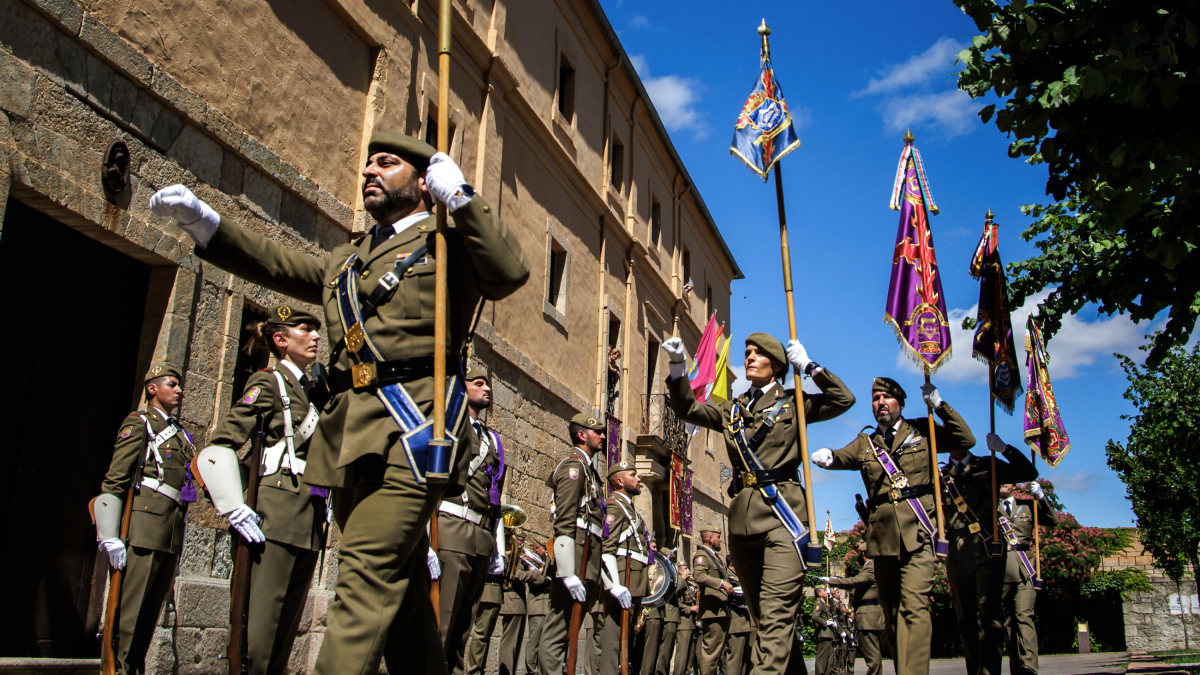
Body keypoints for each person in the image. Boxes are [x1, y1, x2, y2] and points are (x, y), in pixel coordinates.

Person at [151, 133, 529, 674]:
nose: (371, 170)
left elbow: (510, 273)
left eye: (388, 162)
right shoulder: (348, 259)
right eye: (369, 162)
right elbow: (279, 265)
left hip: (417, 432)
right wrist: (204, 222)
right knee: (400, 600)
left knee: (363, 574)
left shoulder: (449, 245)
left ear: (424, 182)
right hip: (352, 437)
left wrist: (463, 198)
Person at [663, 333, 854, 675]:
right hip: (742, 523)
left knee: (776, 615)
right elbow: (687, 408)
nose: (749, 357)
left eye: (758, 354)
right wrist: (678, 367)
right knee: (765, 620)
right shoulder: (731, 410)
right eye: (747, 352)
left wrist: (809, 367)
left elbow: (843, 399)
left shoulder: (795, 403)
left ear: (777, 365)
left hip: (785, 519)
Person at [195, 305, 328, 675]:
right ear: (280, 340)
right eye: (306, 329)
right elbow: (219, 447)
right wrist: (233, 505)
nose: (316, 336)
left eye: (316, 330)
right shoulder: (268, 384)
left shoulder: (312, 392)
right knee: (258, 640)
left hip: (309, 521)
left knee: (282, 642)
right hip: (274, 517)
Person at [811, 377, 976, 675]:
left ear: (900, 402)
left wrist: (939, 406)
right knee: (893, 613)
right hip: (883, 539)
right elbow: (845, 456)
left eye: (886, 397)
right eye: (875, 398)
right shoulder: (866, 441)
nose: (881, 403)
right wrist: (830, 457)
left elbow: (965, 440)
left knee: (915, 607)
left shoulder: (922, 430)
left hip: (919, 532)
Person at [92, 363, 197, 674]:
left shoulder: (180, 433)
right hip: (143, 529)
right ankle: (115, 670)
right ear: (153, 388)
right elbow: (115, 480)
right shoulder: (139, 423)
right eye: (171, 384)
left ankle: (133, 668)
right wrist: (109, 534)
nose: (179, 390)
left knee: (148, 616)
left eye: (179, 385)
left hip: (169, 532)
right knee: (127, 614)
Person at [941, 433, 1038, 675]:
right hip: (958, 553)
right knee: (965, 622)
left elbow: (1028, 472)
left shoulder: (987, 465)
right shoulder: (939, 475)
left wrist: (1004, 448)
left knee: (989, 617)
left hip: (987, 550)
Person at [434, 366, 507, 674]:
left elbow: (496, 497)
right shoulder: (450, 425)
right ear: (462, 389)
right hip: (451, 528)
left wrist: (497, 548)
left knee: (465, 629)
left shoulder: (492, 439)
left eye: (488, 384)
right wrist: (427, 539)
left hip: (480, 537)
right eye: (478, 384)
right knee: (443, 622)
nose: (486, 388)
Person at [540, 413, 607, 675]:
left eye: (603, 432)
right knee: (558, 627)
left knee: (570, 627)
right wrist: (566, 572)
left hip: (586, 558)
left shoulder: (590, 470)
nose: (602, 436)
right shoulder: (574, 467)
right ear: (582, 435)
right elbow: (564, 519)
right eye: (597, 432)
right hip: (575, 556)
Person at [999, 481, 1059, 675]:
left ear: (1014, 485)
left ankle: (1030, 667)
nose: (1003, 484)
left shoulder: (1027, 506)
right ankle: (1017, 667)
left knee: (1025, 616)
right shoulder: (989, 507)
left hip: (1025, 569)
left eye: (1008, 480)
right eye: (1000, 480)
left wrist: (1041, 496)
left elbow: (1052, 519)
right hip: (999, 570)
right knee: (1007, 623)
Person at [599, 460, 650, 674]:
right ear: (619, 481)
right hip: (622, 579)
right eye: (633, 474)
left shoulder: (631, 510)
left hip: (635, 580)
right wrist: (614, 585)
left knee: (626, 641)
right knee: (613, 639)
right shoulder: (614, 506)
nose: (638, 479)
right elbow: (606, 547)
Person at [822, 543, 885, 675]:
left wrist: (831, 580)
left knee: (872, 656)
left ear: (862, 554)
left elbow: (853, 581)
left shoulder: (871, 568)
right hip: (870, 616)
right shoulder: (875, 566)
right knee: (873, 654)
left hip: (868, 618)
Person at [498, 533, 543, 675]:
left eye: (523, 541)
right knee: (509, 644)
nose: (522, 544)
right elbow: (517, 575)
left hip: (520, 603)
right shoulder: (506, 555)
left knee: (516, 646)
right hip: (512, 602)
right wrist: (538, 573)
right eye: (519, 541)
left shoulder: (518, 557)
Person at [691, 529, 733, 675]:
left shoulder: (714, 556)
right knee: (711, 651)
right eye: (718, 537)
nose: (720, 540)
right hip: (713, 610)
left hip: (721, 609)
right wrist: (721, 583)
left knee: (717, 652)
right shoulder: (702, 555)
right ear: (710, 538)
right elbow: (699, 576)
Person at [463, 574, 503, 675]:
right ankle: (473, 671)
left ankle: (478, 670)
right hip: (488, 591)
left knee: (485, 636)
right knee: (481, 635)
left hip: (495, 593)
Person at [524, 539, 552, 675]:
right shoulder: (532, 562)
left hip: (546, 606)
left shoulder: (544, 564)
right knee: (534, 642)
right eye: (543, 549)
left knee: (544, 643)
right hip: (536, 606)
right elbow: (537, 581)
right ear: (536, 548)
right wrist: (544, 573)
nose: (546, 552)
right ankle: (531, 670)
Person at [656, 557, 689, 675]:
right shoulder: (664, 572)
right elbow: (671, 590)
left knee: (668, 651)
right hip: (668, 614)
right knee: (664, 651)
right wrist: (682, 579)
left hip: (673, 615)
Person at [723, 562, 752, 675]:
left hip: (746, 620)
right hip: (736, 621)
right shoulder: (727, 573)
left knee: (744, 661)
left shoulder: (741, 573)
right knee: (735, 660)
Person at [673, 565, 699, 675]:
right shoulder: (678, 582)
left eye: (687, 568)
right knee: (682, 655)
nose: (687, 570)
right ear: (679, 570)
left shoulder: (690, 583)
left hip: (692, 623)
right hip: (683, 623)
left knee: (690, 655)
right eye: (684, 568)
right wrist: (689, 608)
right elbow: (673, 599)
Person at [812, 587, 837, 675]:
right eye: (824, 591)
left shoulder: (824, 603)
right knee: (822, 658)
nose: (827, 592)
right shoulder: (818, 604)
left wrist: (830, 597)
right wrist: (825, 623)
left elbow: (834, 610)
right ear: (819, 594)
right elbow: (815, 617)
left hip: (828, 635)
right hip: (824, 634)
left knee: (829, 659)